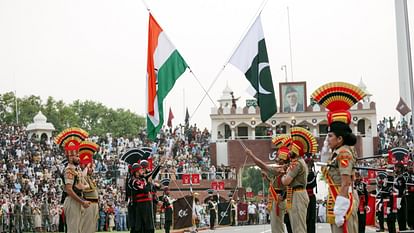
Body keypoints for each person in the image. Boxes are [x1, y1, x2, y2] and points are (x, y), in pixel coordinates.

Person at [311, 82, 365, 233]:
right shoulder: (339, 151)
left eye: (330, 136)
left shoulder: (344, 153)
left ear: (340, 138)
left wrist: (340, 210)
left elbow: (346, 181)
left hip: (342, 199)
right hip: (338, 197)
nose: (327, 139)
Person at [55, 127, 91, 233]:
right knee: (73, 230)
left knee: (78, 229)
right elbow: (69, 190)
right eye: (77, 156)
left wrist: (83, 187)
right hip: (72, 201)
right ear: (70, 157)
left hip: (77, 200)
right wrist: (82, 201)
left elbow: (83, 180)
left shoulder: (76, 169)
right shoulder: (69, 170)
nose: (79, 158)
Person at [79, 140, 100, 233]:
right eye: (90, 167)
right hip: (89, 204)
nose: (92, 169)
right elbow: (82, 176)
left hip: (95, 204)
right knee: (86, 227)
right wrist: (86, 166)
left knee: (92, 227)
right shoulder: (82, 176)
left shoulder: (90, 178)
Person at [305, 153, 317, 233]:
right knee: (305, 217)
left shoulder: (313, 174)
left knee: (312, 217)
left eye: (309, 165)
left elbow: (313, 184)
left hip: (311, 196)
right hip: (304, 196)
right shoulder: (303, 174)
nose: (308, 166)